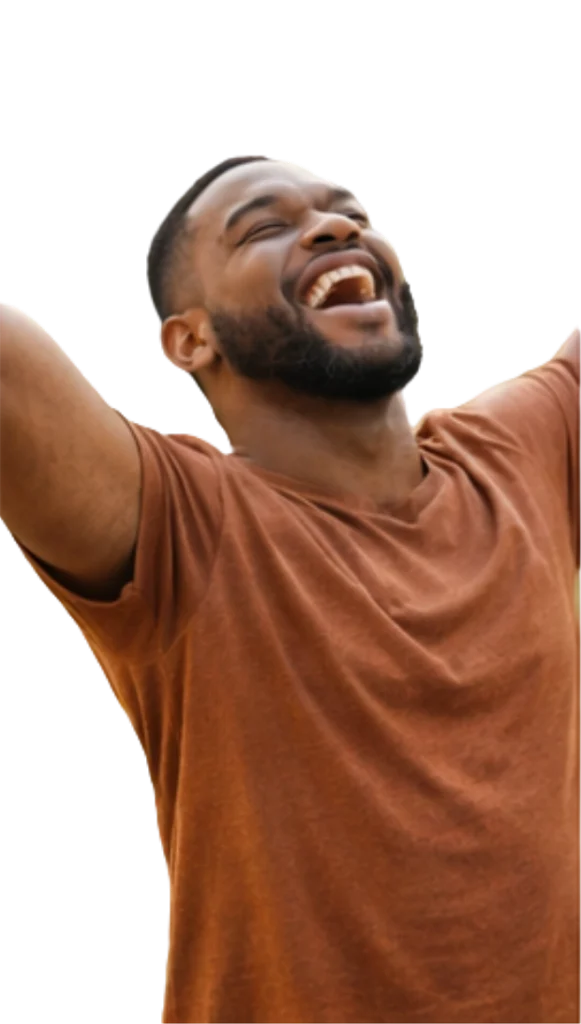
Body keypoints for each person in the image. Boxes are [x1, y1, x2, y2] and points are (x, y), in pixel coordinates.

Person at [0, 153, 578, 1024]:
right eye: (265, 228)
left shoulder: (516, 455)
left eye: (352, 213)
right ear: (189, 341)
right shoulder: (182, 524)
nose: (336, 227)